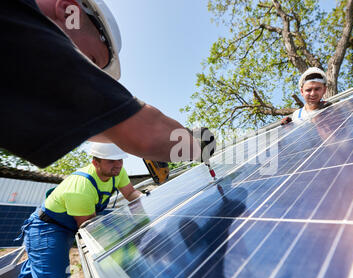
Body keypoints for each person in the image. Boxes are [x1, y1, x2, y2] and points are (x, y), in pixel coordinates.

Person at [0, 0, 214, 169]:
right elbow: (147, 135)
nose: (89, 72)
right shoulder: (22, 25)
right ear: (68, 11)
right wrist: (198, 145)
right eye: (91, 60)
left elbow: (91, 125)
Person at [3, 142, 144, 278]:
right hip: (46, 230)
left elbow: (131, 193)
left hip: (65, 229)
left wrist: (146, 197)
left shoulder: (117, 172)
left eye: (120, 159)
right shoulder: (81, 187)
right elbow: (89, 226)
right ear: (95, 162)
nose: (118, 165)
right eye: (111, 161)